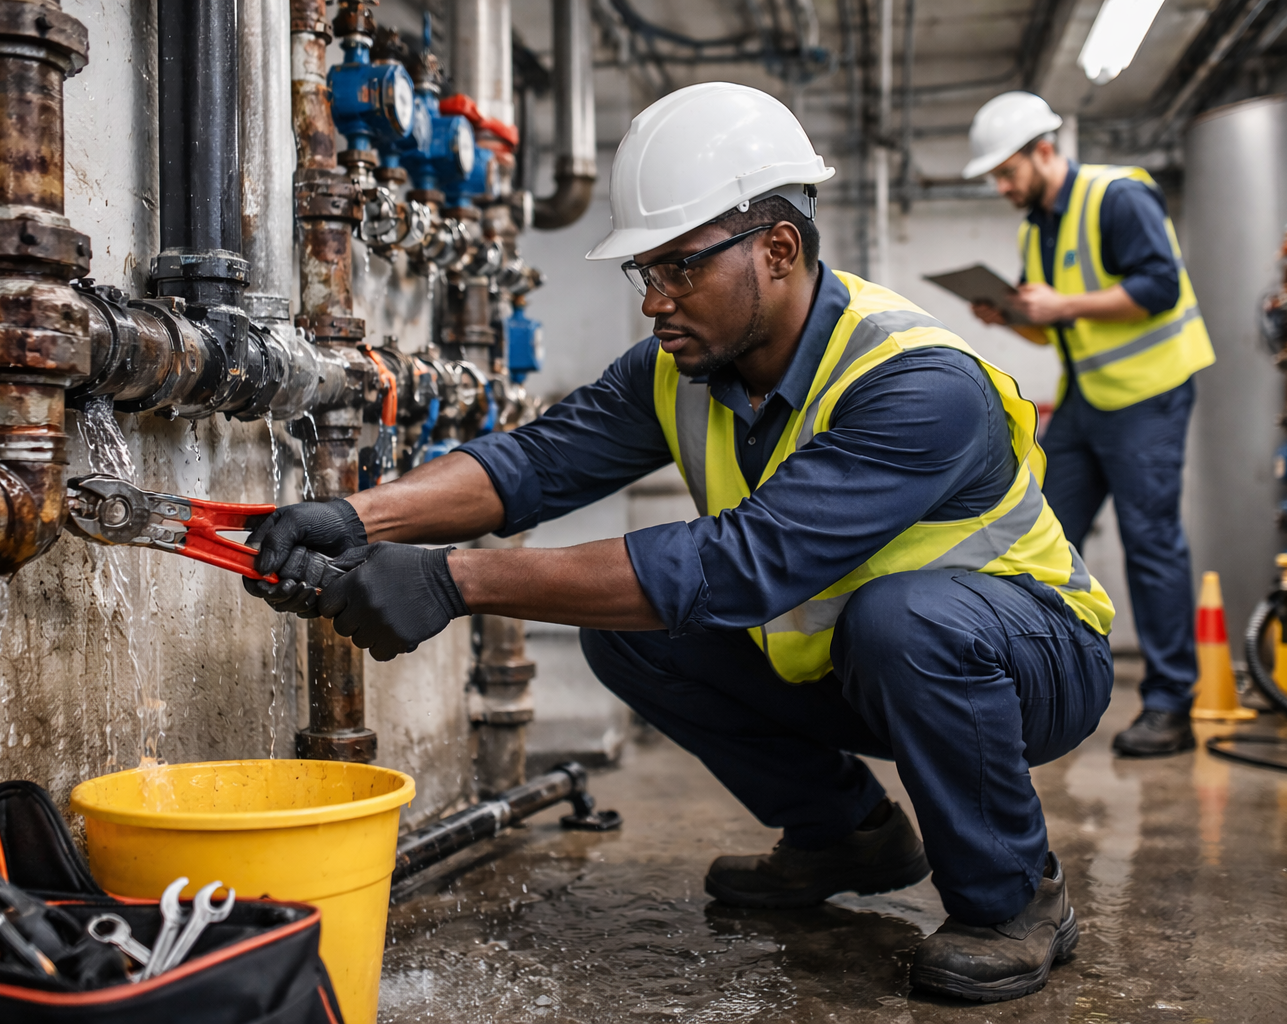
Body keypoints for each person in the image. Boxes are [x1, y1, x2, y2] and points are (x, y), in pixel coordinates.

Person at [248, 82, 1115, 1002]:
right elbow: (533, 463)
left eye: (679, 268)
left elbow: (744, 564)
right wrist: (359, 516)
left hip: (1028, 662)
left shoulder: (918, 384)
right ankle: (844, 835)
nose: (656, 301)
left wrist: (455, 582)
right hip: (856, 665)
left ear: (778, 249)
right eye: (644, 274)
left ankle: (1015, 898)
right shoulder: (684, 366)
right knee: (630, 628)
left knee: (905, 618)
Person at [964, 92, 1215, 758]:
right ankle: (1033, 683)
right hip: (1088, 400)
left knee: (1150, 543)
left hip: (1149, 395)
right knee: (1032, 527)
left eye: (1008, 170)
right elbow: (1054, 329)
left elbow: (1160, 286)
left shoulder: (1117, 197)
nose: (1003, 185)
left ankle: (1169, 705)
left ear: (1044, 151)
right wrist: (1014, 316)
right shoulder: (1033, 228)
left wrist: (1061, 304)